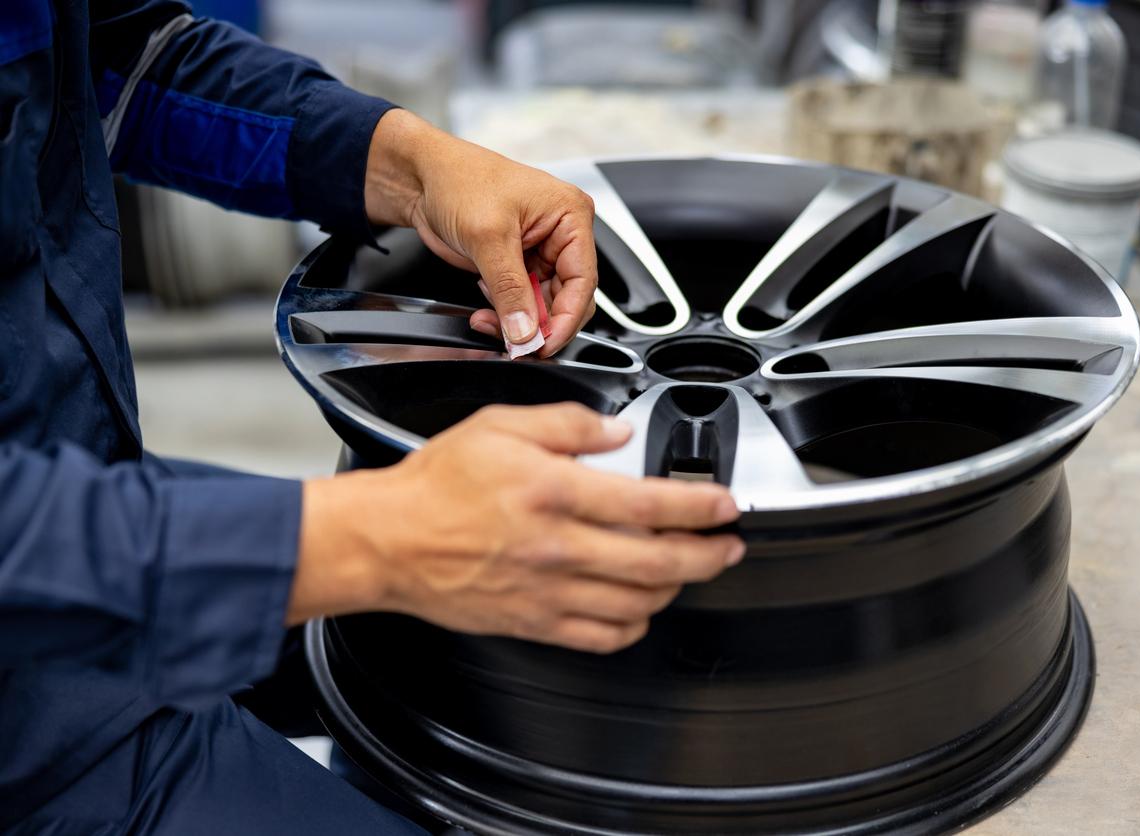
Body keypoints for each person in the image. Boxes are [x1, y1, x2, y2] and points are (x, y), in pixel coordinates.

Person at [0, 2, 745, 832]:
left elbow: (110, 67)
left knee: (489, 641)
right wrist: (366, 538)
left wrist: (406, 163)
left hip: (79, 492)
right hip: (30, 729)